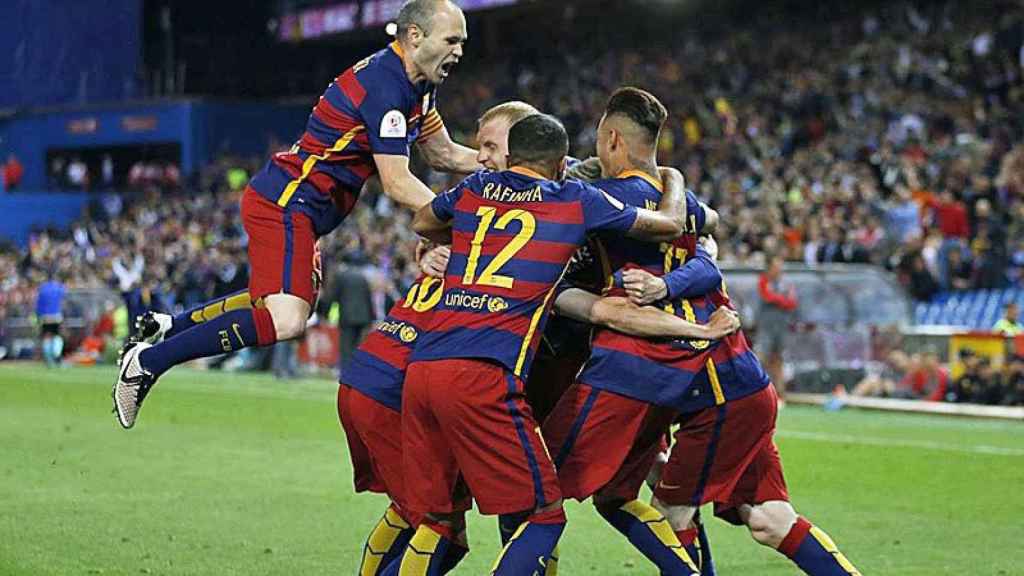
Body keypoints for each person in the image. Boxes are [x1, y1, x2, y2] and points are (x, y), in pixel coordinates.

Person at [337, 100, 738, 575]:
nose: (483, 157)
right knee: (543, 513)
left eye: (490, 146)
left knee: (438, 519)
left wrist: (443, 241)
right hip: (496, 373)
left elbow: (424, 218)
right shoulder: (575, 202)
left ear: (515, 152)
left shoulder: (477, 191)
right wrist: (673, 179)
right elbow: (672, 227)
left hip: (427, 369)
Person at [114, 0, 480, 429]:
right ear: (415, 37)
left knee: (279, 304)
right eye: (452, 40)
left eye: (462, 42)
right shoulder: (387, 87)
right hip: (287, 204)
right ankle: (148, 364)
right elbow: (397, 182)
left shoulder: (415, 85)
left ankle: (167, 326)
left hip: (301, 208)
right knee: (287, 318)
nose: (459, 51)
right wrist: (461, 226)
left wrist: (515, 167)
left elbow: (443, 153)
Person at [540, 87, 721, 575]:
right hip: (682, 368)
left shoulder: (598, 198)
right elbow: (710, 223)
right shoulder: (681, 199)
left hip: (627, 365)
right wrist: (676, 178)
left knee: (532, 479)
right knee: (617, 494)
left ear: (612, 138)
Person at [622, 266, 864, 576]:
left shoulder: (663, 256)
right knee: (770, 520)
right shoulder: (680, 255)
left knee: (670, 515)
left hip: (720, 399)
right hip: (744, 391)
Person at [756, 253, 798, 398]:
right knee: (761, 357)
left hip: (781, 326)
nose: (778, 269)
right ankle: (758, 389)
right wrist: (782, 300)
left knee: (779, 359)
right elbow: (766, 296)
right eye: (775, 266)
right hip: (766, 326)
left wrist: (778, 300)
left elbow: (792, 302)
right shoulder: (763, 280)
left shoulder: (786, 283)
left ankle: (780, 393)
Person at [36, 273, 66, 367]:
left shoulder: (42, 288)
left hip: (44, 316)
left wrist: (38, 316)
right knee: (57, 336)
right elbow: (64, 298)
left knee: (47, 336)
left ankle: (48, 359)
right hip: (56, 315)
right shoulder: (58, 287)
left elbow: (38, 303)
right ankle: (57, 356)